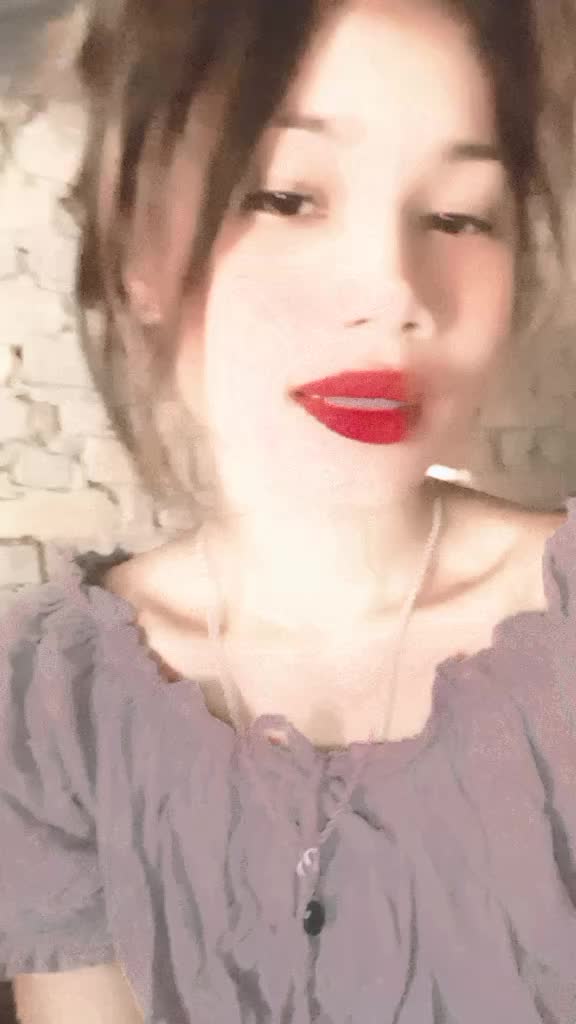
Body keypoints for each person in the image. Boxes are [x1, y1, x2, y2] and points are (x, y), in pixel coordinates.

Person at [2, 0, 576, 1020]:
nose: (395, 293)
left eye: (459, 216)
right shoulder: (54, 705)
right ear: (136, 251)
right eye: (286, 196)